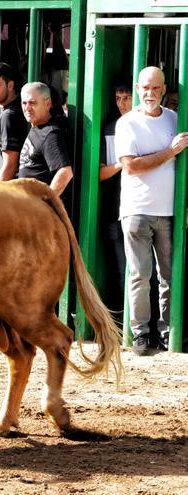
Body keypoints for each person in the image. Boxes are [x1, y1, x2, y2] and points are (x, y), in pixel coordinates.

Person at [116, 67, 188, 355]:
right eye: (145, 88)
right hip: (136, 209)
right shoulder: (128, 123)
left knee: (170, 276)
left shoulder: (174, 119)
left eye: (155, 88)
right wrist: (170, 151)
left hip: (169, 210)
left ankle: (169, 332)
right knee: (140, 274)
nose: (150, 93)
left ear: (164, 90)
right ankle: (142, 334)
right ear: (137, 88)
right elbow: (130, 166)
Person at [98, 82, 132, 307]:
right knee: (123, 272)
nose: (121, 103)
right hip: (115, 209)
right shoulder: (110, 129)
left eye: (126, 97)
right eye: (118, 98)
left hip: (145, 208)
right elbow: (100, 173)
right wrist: (124, 163)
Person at [17, 82, 73, 196]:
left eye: (32, 103)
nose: (27, 107)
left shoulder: (50, 133)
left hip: (40, 211)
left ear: (47, 104)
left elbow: (65, 173)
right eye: (24, 103)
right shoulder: (38, 127)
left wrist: (46, 202)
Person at [0, 63, 28, 181]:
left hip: (10, 191)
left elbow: (10, 165)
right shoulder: (10, 109)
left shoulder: (8, 115)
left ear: (10, 85)